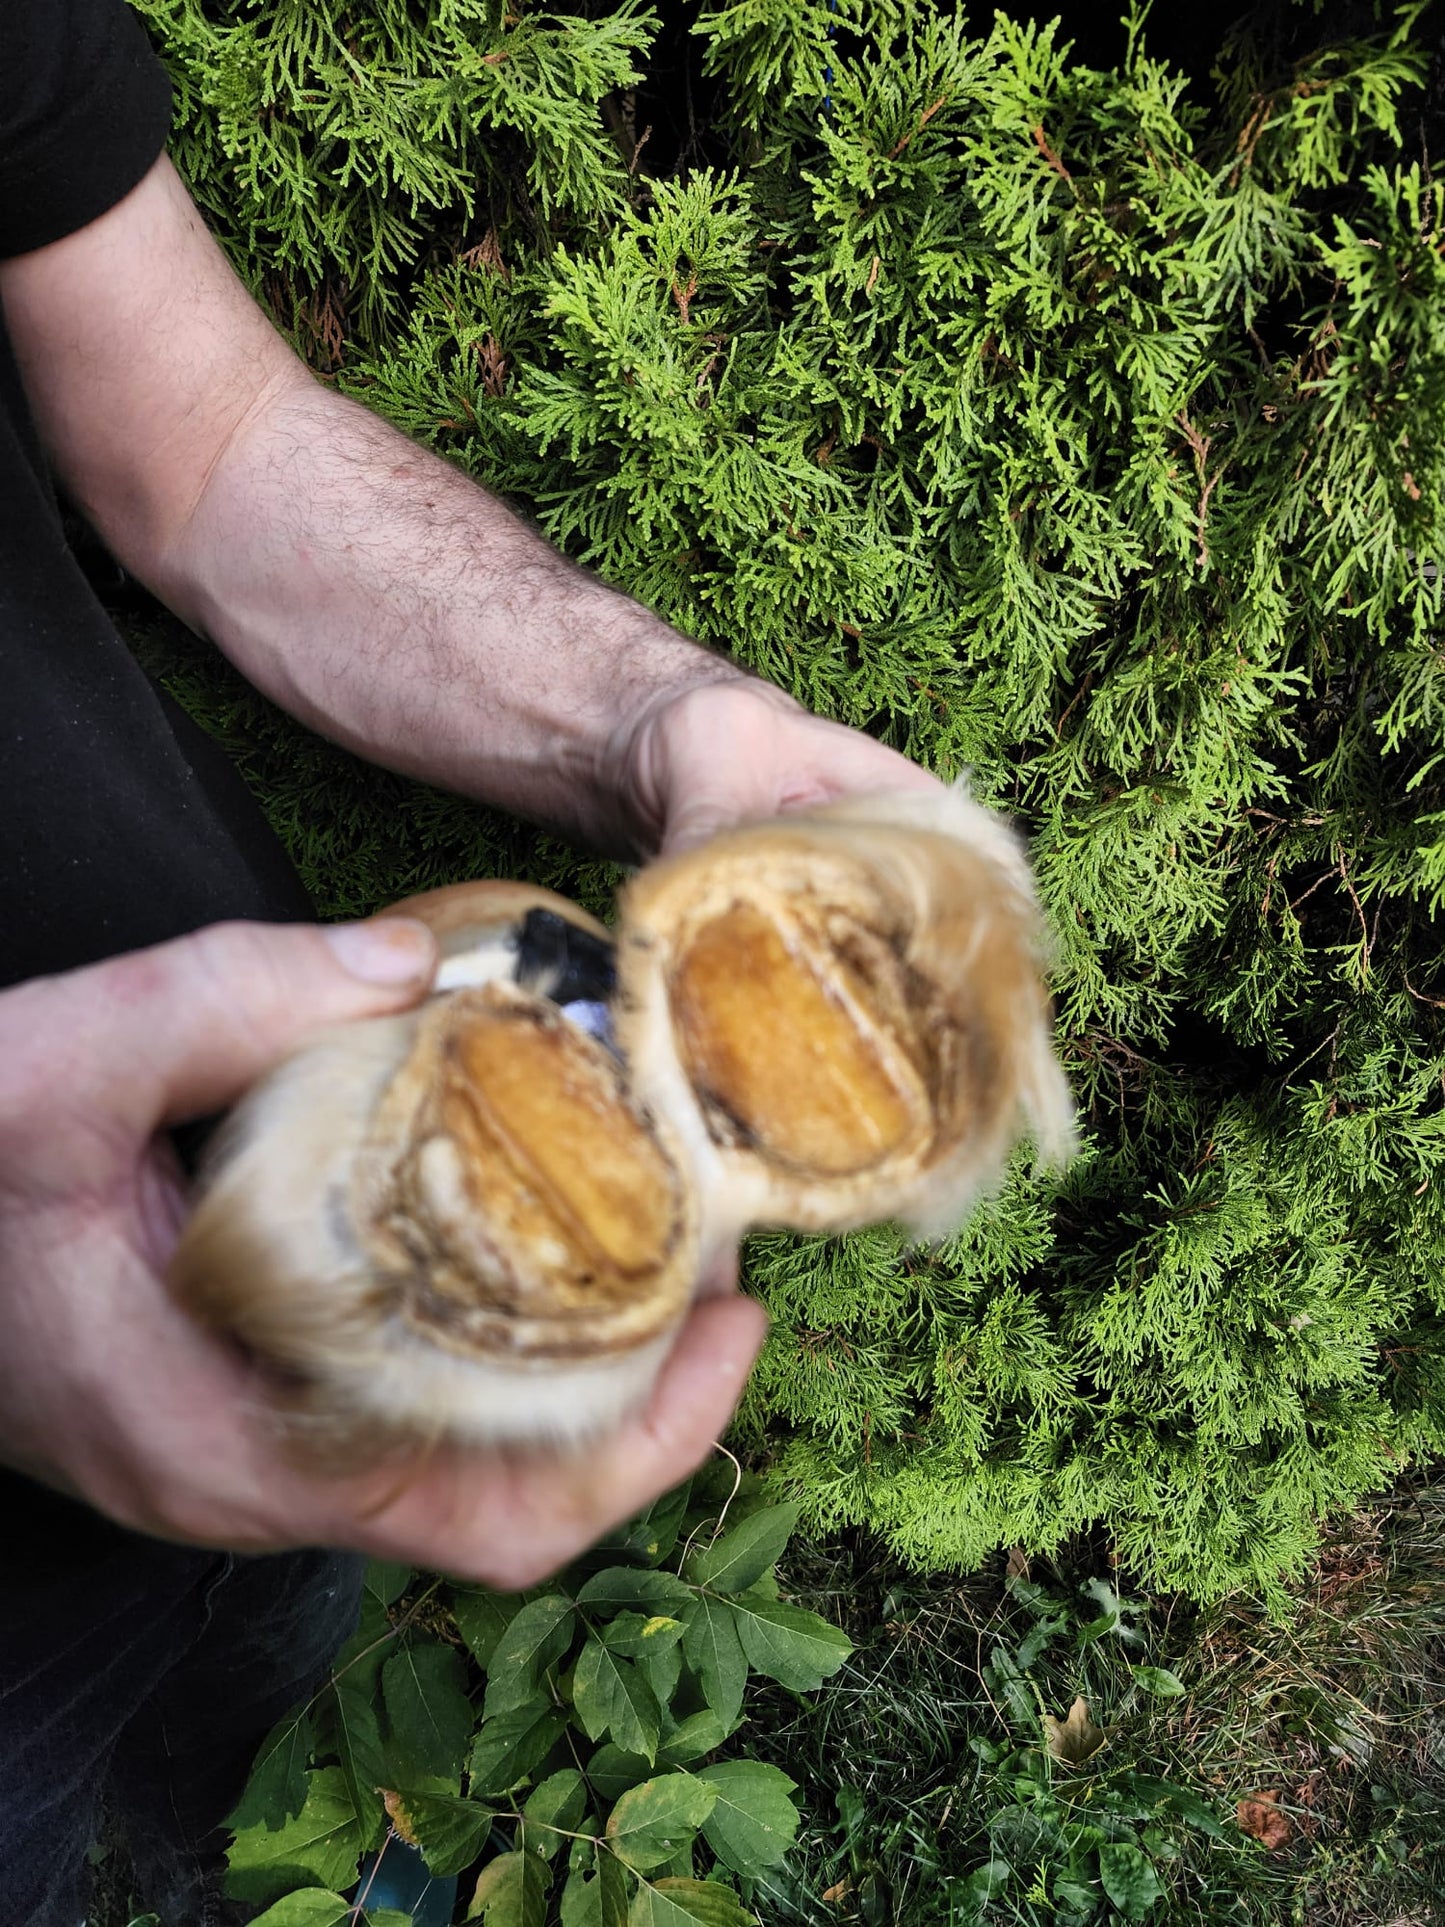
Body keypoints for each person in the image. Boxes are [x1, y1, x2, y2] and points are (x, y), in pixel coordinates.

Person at [0, 2, 941, 1921]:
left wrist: (660, 720)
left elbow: (205, 442)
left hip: (323, 1288)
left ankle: (220, 1855)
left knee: (239, 1704)